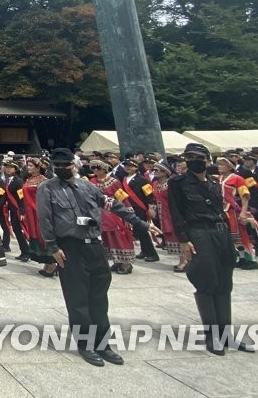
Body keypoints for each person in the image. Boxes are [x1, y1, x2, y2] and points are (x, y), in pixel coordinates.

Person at [38, 148, 159, 367]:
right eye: (58, 166)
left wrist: (142, 224)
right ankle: (85, 345)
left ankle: (103, 344)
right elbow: (44, 218)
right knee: (78, 299)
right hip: (70, 247)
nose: (62, 169)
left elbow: (113, 205)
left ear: (73, 166)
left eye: (66, 165)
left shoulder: (88, 186)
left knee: (99, 297)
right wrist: (53, 247)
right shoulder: (47, 188)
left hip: (94, 246)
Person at [168, 143, 255, 355]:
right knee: (207, 281)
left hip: (221, 233)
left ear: (207, 160)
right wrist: (183, 240)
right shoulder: (177, 183)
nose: (192, 161)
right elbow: (176, 212)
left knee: (225, 283)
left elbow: (219, 210)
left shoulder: (214, 182)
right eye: (188, 157)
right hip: (198, 233)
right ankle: (212, 336)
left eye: (197, 157)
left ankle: (226, 336)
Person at [21, 158, 58, 278]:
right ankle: (47, 263)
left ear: (38, 167)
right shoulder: (28, 179)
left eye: (31, 166)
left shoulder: (44, 181)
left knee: (43, 234)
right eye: (28, 166)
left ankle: (52, 263)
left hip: (39, 211)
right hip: (30, 212)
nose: (29, 168)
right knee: (35, 234)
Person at [119, 159, 159, 262]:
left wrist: (150, 208)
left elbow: (149, 194)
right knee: (137, 231)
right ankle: (144, 250)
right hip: (129, 207)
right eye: (126, 165)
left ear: (136, 167)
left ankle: (152, 253)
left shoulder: (141, 179)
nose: (128, 167)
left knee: (143, 230)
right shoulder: (124, 178)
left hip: (140, 207)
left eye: (131, 166)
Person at [2, 159, 30, 262]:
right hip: (12, 209)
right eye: (7, 167)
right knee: (16, 230)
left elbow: (21, 197)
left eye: (10, 167)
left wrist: (22, 212)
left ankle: (26, 252)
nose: (8, 169)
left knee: (18, 230)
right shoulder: (9, 180)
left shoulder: (18, 181)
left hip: (17, 209)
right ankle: (24, 251)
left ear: (15, 169)